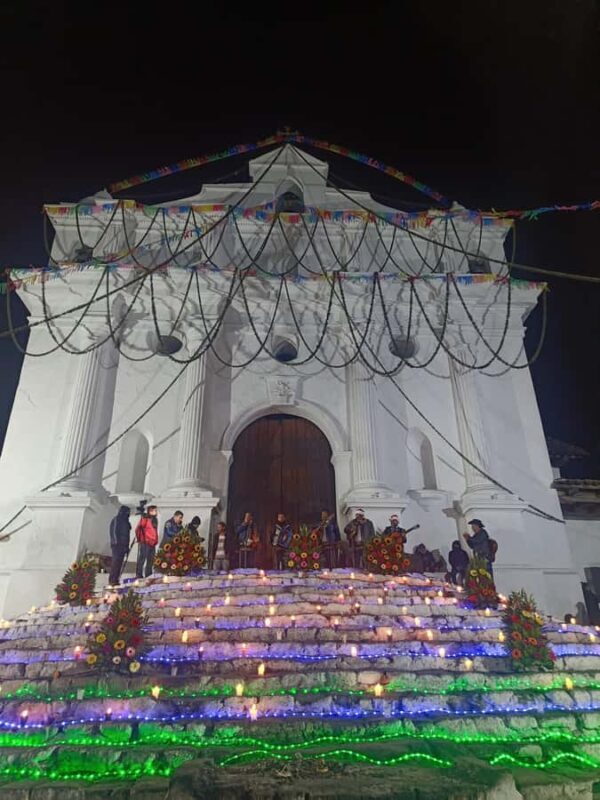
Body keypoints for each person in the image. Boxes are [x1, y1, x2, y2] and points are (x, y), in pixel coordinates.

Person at [108, 505, 131, 585]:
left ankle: (116, 579)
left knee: (119, 563)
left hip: (124, 546)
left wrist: (127, 547)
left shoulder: (126, 521)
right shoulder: (116, 519)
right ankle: (112, 580)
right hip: (117, 545)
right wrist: (115, 543)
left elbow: (127, 535)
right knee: (115, 563)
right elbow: (113, 532)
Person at [135, 504, 159, 579]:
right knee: (142, 559)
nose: (155, 512)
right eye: (153, 510)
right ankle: (139, 574)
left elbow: (154, 531)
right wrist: (140, 539)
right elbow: (138, 529)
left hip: (152, 542)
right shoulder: (145, 519)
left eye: (155, 510)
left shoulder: (155, 520)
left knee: (150, 560)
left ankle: (148, 574)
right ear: (149, 511)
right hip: (145, 542)